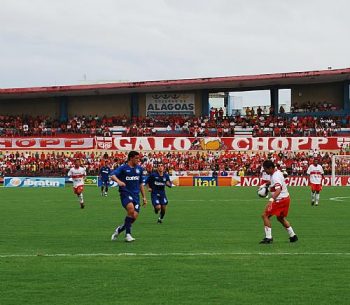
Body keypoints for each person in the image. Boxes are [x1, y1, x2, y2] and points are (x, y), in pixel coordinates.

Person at [110, 151, 147, 242]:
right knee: (130, 209)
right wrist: (118, 181)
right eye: (136, 158)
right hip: (125, 193)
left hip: (136, 196)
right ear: (131, 158)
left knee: (133, 218)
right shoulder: (123, 168)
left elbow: (141, 184)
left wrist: (144, 197)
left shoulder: (139, 169)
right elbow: (112, 175)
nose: (138, 160)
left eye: (139, 158)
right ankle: (128, 235)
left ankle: (119, 230)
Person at [259, 160, 298, 244]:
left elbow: (278, 190)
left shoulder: (275, 176)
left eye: (265, 169)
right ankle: (293, 236)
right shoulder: (277, 172)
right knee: (280, 218)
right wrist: (266, 185)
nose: (265, 171)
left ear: (270, 168)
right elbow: (274, 182)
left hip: (280, 200)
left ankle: (268, 238)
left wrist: (271, 200)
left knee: (265, 215)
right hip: (286, 199)